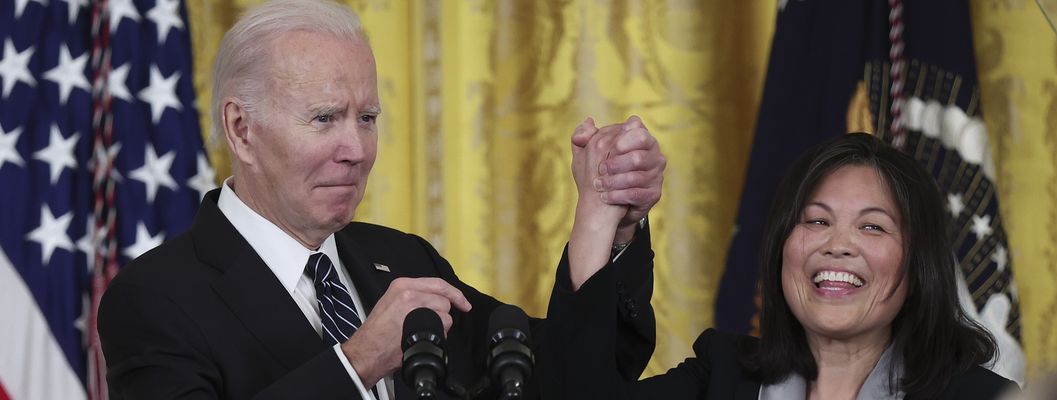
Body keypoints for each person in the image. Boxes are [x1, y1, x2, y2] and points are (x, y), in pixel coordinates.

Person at [96, 1, 666, 399]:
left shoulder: (403, 261)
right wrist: (357, 363)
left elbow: (572, 378)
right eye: (324, 119)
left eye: (367, 119)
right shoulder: (155, 300)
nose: (356, 149)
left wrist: (602, 219)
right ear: (242, 129)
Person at [555, 132, 1015, 399]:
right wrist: (602, 214)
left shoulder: (983, 398)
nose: (839, 245)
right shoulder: (722, 378)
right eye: (816, 220)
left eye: (873, 227)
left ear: (918, 266)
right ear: (782, 248)